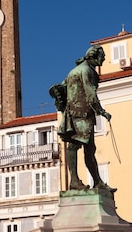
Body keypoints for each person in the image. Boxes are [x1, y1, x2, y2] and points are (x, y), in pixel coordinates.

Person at [49, 44, 117, 192]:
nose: (103, 60)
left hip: (71, 114)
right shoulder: (87, 71)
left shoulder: (73, 71)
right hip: (83, 115)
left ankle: (77, 180)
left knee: (73, 147)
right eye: (102, 57)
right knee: (88, 148)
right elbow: (90, 93)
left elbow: (60, 89)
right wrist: (102, 111)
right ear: (94, 56)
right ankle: (93, 181)